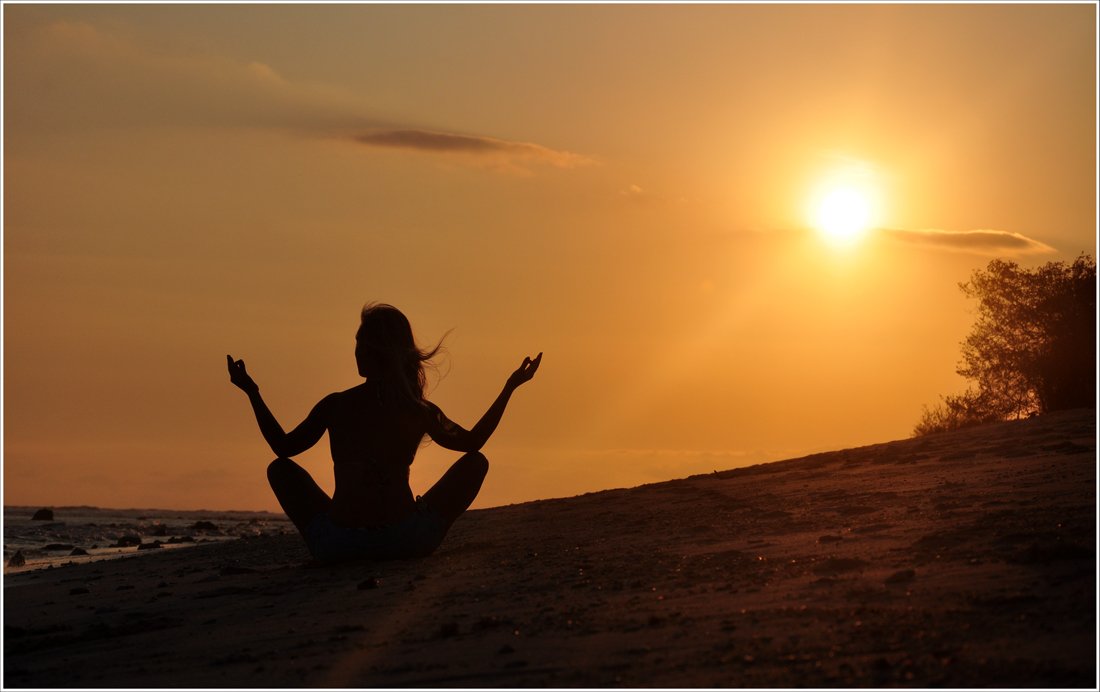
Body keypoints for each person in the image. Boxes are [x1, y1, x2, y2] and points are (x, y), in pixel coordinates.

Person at [227, 303, 541, 562]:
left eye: (363, 344)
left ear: (381, 351)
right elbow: (473, 443)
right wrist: (509, 388)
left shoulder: (336, 405)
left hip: (340, 547)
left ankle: (329, 537)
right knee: (477, 462)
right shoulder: (419, 410)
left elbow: (283, 447)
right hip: (405, 542)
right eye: (357, 344)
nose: (357, 351)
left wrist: (252, 393)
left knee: (280, 470)